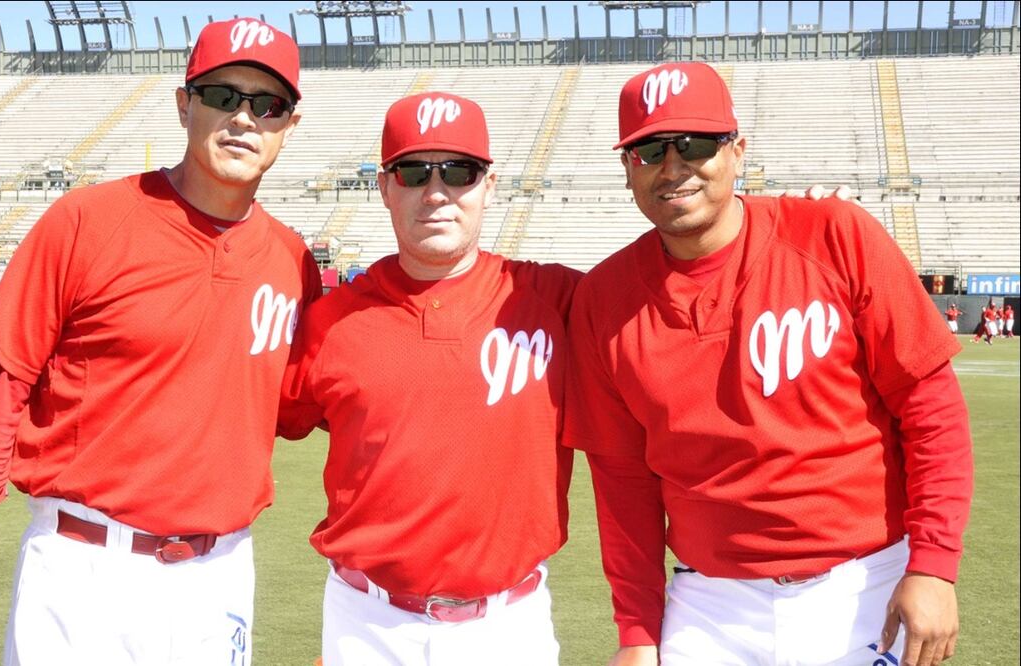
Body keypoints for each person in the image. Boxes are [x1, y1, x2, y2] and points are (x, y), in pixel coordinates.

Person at [0, 18, 321, 666]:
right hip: (83, 574)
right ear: (184, 105)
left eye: (267, 103)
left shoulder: (292, 262)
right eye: (223, 95)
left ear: (289, 127)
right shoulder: (86, 222)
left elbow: (317, 406)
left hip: (218, 578)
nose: (244, 118)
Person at [563, 62, 973, 666]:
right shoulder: (603, 299)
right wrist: (637, 632)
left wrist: (934, 565)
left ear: (737, 151)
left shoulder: (836, 234)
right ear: (627, 169)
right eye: (649, 151)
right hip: (709, 605)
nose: (673, 167)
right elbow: (624, 484)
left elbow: (929, 409)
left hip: (863, 585)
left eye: (695, 143)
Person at [277, 91, 580, 666]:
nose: (436, 192)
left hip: (509, 627)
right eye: (414, 172)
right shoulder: (329, 321)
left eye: (459, 171)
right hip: (365, 624)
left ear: (489, 186)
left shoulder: (558, 300)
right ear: (385, 187)